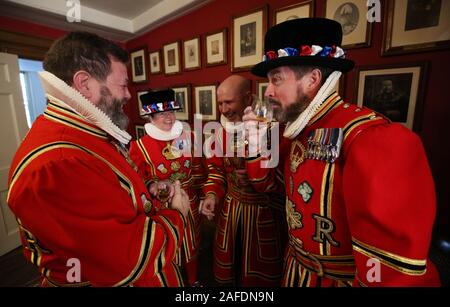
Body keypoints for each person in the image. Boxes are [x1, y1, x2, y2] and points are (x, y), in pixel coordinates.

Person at [244, 18, 440, 286]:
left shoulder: (371, 139)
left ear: (313, 79)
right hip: (295, 272)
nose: (267, 91)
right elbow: (269, 186)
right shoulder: (293, 131)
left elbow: (390, 271)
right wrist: (256, 144)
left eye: (276, 79)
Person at [7, 31, 190, 287]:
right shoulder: (57, 162)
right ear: (84, 84)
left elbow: (111, 189)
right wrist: (177, 213)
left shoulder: (86, 133)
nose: (128, 95)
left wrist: (148, 189)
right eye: (123, 85)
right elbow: (130, 258)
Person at [200, 75, 286, 286]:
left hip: (263, 215)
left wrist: (257, 176)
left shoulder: (273, 129)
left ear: (247, 98)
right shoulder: (219, 133)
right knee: (229, 270)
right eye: (220, 103)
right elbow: (216, 172)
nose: (223, 109)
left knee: (259, 276)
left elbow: (286, 181)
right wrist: (211, 194)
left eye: (228, 102)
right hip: (230, 214)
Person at [129, 89, 204, 286]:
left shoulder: (189, 137)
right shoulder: (138, 147)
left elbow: (197, 170)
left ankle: (194, 282)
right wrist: (155, 187)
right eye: (162, 114)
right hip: (162, 207)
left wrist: (206, 196)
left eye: (171, 112)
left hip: (190, 201)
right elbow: (138, 184)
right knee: (170, 246)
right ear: (151, 117)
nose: (169, 117)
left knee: (192, 243)